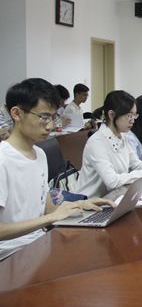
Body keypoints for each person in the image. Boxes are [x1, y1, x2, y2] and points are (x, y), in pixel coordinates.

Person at [1, 78, 113, 245]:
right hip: (12, 252)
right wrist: (51, 218)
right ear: (17, 114)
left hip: (40, 242)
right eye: (44, 117)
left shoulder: (39, 154)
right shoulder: (3, 160)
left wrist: (80, 204)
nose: (50, 126)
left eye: (53, 117)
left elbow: (48, 209)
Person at [75, 90, 142, 199]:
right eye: (129, 115)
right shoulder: (97, 142)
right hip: (90, 202)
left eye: (134, 115)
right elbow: (112, 181)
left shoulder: (122, 136)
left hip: (113, 197)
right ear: (111, 115)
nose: (133, 120)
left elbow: (135, 163)